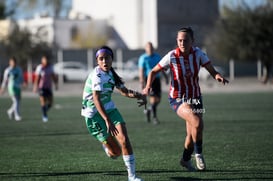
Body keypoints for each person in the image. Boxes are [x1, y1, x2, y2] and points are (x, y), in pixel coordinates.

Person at [143, 27, 229, 171]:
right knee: (197, 121)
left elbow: (212, 71)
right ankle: (199, 154)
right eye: (180, 40)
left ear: (192, 41)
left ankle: (185, 159)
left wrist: (217, 76)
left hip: (196, 97)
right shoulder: (171, 56)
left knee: (192, 132)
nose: (182, 43)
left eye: (186, 40)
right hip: (178, 98)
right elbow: (153, 72)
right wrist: (147, 87)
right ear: (177, 41)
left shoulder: (199, 54)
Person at [81, 46, 146, 181]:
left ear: (112, 59)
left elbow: (124, 91)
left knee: (124, 139)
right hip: (93, 115)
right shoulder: (97, 75)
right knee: (115, 152)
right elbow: (96, 100)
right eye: (101, 59)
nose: (105, 61)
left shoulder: (111, 73)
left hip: (109, 109)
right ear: (97, 61)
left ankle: (132, 177)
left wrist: (140, 96)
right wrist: (107, 120)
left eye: (107, 58)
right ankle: (106, 145)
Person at [138, 42, 168, 124]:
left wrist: (166, 77)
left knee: (158, 99)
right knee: (153, 99)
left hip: (157, 80)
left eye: (151, 47)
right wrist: (142, 82)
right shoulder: (143, 58)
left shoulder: (157, 56)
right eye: (148, 47)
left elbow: (161, 67)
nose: (150, 49)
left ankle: (149, 110)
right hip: (149, 80)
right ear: (146, 49)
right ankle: (154, 117)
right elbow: (141, 70)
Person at [33, 55, 58, 122]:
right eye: (44, 60)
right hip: (41, 87)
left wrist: (56, 84)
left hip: (48, 87)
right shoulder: (40, 67)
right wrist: (35, 87)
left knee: (50, 103)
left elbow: (53, 76)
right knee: (43, 101)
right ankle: (44, 115)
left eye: (46, 59)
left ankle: (44, 110)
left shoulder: (50, 67)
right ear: (42, 60)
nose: (45, 61)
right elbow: (37, 78)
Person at [0, 57, 23, 121]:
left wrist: (23, 82)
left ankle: (10, 111)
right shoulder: (8, 70)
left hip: (18, 87)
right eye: (12, 62)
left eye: (14, 62)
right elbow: (5, 80)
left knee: (18, 101)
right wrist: (2, 88)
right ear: (10, 62)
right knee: (15, 100)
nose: (13, 63)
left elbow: (21, 77)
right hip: (11, 87)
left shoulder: (19, 69)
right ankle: (16, 115)